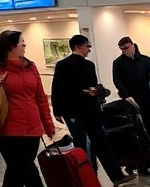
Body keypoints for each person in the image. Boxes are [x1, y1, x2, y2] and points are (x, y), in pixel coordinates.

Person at [52, 34, 136, 186]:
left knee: (102, 142)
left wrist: (96, 91)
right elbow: (57, 89)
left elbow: (94, 85)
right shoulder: (64, 65)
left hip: (91, 110)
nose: (89, 49)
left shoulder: (89, 65)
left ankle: (116, 175)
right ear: (78, 46)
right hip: (74, 112)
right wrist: (57, 111)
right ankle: (86, 178)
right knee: (82, 145)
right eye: (87, 46)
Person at [0, 30, 56, 187]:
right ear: (10, 46)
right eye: (21, 42)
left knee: (19, 169)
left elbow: (40, 97)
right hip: (6, 129)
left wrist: (48, 124)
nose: (25, 44)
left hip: (32, 128)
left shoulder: (30, 67)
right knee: (25, 169)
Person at [113, 36, 150, 131]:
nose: (123, 51)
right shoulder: (118, 63)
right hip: (131, 98)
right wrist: (126, 95)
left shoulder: (145, 60)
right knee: (137, 124)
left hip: (146, 96)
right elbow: (117, 80)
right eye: (121, 49)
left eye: (126, 48)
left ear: (132, 46)